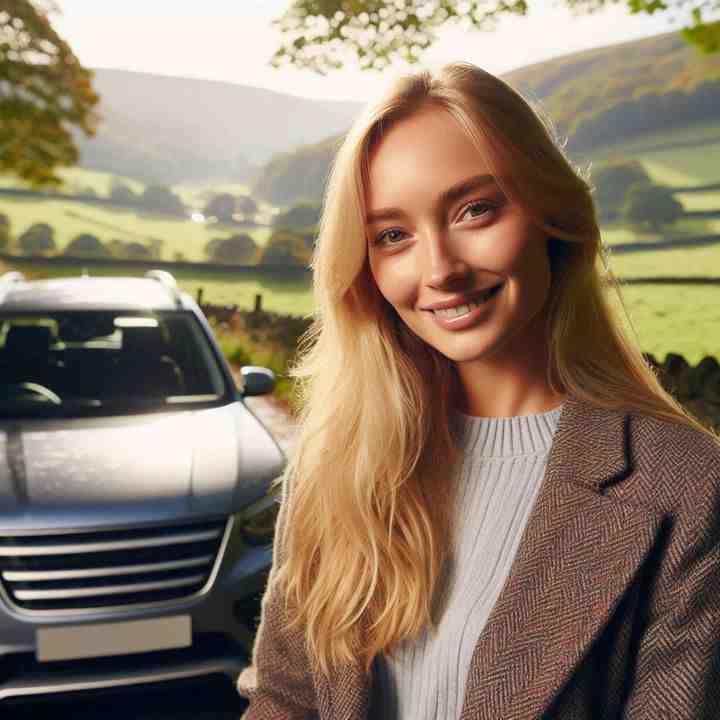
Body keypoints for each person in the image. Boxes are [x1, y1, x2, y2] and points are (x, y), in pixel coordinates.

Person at [237, 62, 720, 719]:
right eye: (393, 236)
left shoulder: (690, 487)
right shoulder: (335, 463)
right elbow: (284, 700)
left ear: (553, 215)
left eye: (474, 209)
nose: (441, 270)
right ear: (365, 266)